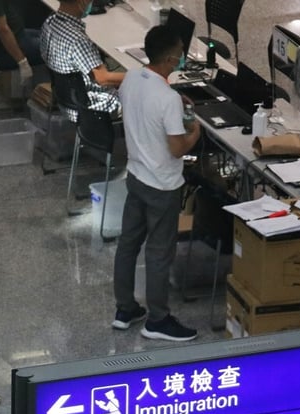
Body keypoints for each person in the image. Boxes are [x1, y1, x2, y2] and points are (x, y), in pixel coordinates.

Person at [112, 25, 200, 342]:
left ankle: (125, 309)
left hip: (135, 175)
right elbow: (177, 148)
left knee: (128, 244)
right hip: (162, 186)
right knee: (159, 253)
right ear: (172, 56)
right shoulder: (168, 99)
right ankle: (158, 319)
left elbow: (145, 107)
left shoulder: (132, 77)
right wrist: (195, 133)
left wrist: (176, 101)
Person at [39, 0, 123, 121]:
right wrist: (137, 76)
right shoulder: (78, 40)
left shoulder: (49, 22)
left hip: (66, 100)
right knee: (146, 91)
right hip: (90, 106)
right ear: (82, 2)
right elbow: (103, 78)